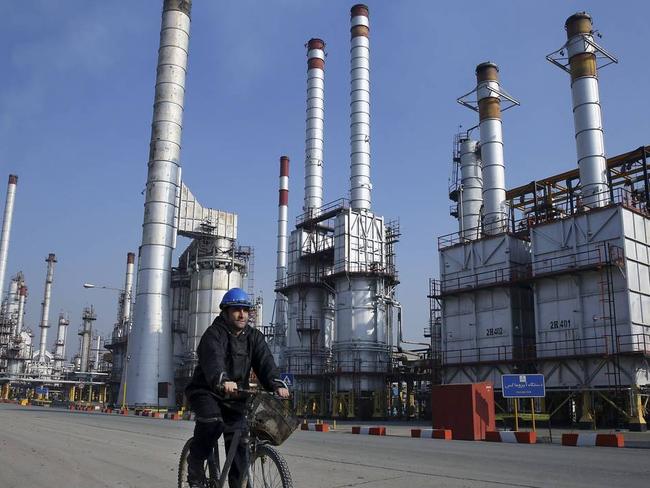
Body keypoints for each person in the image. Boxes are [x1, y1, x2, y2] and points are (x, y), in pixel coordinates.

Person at [184, 287, 289, 488]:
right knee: (212, 422)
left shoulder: (254, 337)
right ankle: (195, 463)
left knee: (241, 444)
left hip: (236, 395)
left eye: (245, 310)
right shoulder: (214, 334)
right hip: (206, 390)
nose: (242, 314)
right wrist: (222, 379)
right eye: (236, 309)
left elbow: (265, 362)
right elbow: (213, 358)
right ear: (225, 312)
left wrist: (275, 383)